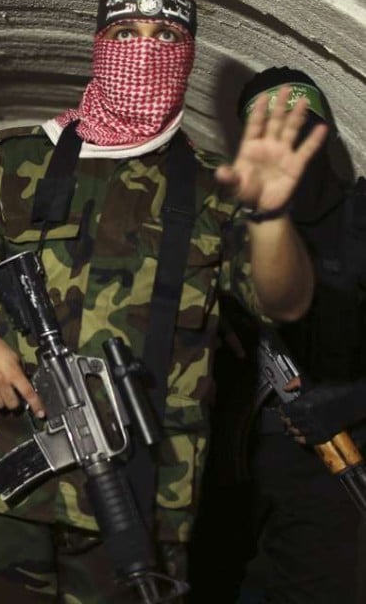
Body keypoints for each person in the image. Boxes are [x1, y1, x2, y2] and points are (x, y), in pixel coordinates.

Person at [0, 0, 327, 602]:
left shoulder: (211, 192)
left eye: (166, 34)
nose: (144, 49)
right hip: (6, 488)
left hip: (141, 497)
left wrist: (271, 216)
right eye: (125, 31)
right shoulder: (22, 161)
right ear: (99, 42)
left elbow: (285, 302)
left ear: (188, 55)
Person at [191, 67, 366, 603]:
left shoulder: (362, 217)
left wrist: (355, 400)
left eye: (301, 130)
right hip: (234, 477)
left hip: (334, 473)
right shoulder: (230, 230)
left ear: (327, 136)